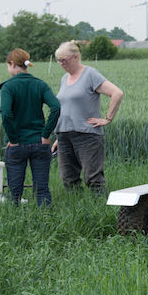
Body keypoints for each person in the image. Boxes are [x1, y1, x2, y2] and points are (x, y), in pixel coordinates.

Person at [52, 40, 123, 194]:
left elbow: (117, 93)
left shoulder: (90, 74)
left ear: (76, 57)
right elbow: (67, 108)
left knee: (93, 177)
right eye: (59, 61)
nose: (61, 64)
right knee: (68, 178)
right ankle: (77, 208)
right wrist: (59, 136)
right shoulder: (64, 79)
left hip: (87, 135)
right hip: (64, 135)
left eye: (64, 60)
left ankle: (99, 209)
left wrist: (107, 119)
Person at [0, 48, 60, 206]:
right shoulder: (40, 85)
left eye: (8, 65)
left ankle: (16, 225)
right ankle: (45, 222)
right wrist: (45, 135)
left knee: (15, 192)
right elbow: (56, 107)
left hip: (17, 145)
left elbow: (6, 113)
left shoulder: (8, 87)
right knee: (42, 189)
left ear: (12, 64)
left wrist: (13, 139)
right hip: (40, 144)